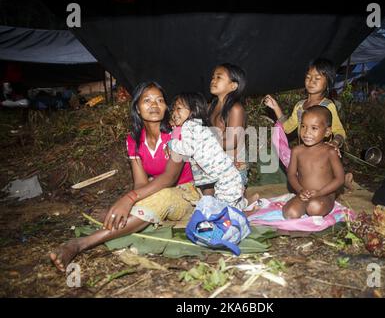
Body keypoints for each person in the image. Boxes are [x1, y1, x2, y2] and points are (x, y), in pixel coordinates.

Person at [49, 82, 199, 272]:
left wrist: (128, 200)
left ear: (166, 107)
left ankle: (81, 244)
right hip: (156, 190)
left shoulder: (178, 136)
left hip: (186, 195)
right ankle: (132, 217)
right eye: (147, 100)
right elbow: (141, 183)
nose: (154, 105)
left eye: (160, 100)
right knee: (144, 198)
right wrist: (129, 202)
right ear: (137, 107)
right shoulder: (134, 140)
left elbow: (169, 178)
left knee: (162, 195)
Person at [264, 58, 353, 187]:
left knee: (320, 185)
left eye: (317, 78)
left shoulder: (327, 106)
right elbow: (287, 128)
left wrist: (335, 142)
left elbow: (339, 131)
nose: (311, 81)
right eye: (308, 77)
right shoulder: (300, 106)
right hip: (306, 156)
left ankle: (342, 179)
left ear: (327, 82)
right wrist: (276, 107)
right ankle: (343, 178)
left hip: (322, 156)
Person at [168, 92, 249, 209]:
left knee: (224, 207)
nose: (174, 113)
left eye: (179, 109)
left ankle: (244, 209)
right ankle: (246, 203)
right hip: (225, 172)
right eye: (173, 109)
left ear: (192, 110)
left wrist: (171, 143)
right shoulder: (198, 125)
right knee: (226, 200)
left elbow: (188, 149)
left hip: (221, 174)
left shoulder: (188, 126)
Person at [282, 106, 345, 218]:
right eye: (303, 126)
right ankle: (301, 203)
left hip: (324, 195)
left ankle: (320, 203)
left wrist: (320, 193)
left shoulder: (330, 152)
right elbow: (291, 175)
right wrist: (300, 191)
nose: (307, 133)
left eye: (314, 128)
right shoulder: (297, 151)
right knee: (290, 213)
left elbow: (340, 179)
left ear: (327, 132)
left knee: (314, 207)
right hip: (304, 194)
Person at [203, 63, 248, 195]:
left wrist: (204, 144)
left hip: (234, 168)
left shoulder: (235, 109)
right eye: (213, 77)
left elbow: (230, 142)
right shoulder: (211, 106)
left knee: (227, 207)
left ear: (233, 86)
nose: (213, 80)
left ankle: (244, 199)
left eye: (219, 77)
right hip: (215, 165)